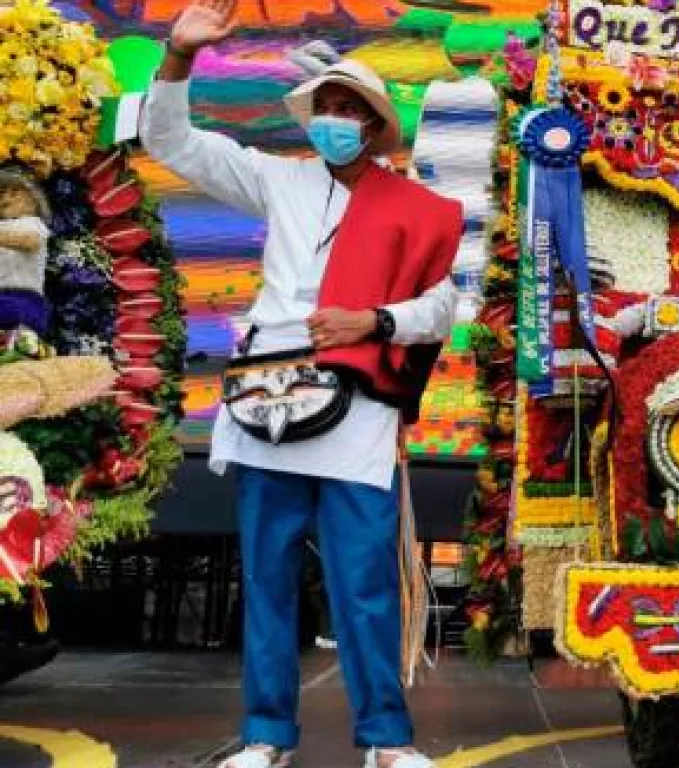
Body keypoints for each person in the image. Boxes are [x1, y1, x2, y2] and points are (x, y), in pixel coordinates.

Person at [142, 1, 462, 766]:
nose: (335, 121)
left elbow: (444, 306)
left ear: (376, 127)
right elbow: (170, 140)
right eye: (327, 108)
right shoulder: (277, 183)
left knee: (363, 586)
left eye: (351, 111)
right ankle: (265, 737)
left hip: (356, 412)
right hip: (266, 401)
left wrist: (374, 322)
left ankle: (385, 742)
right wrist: (178, 58)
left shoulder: (416, 210)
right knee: (269, 580)